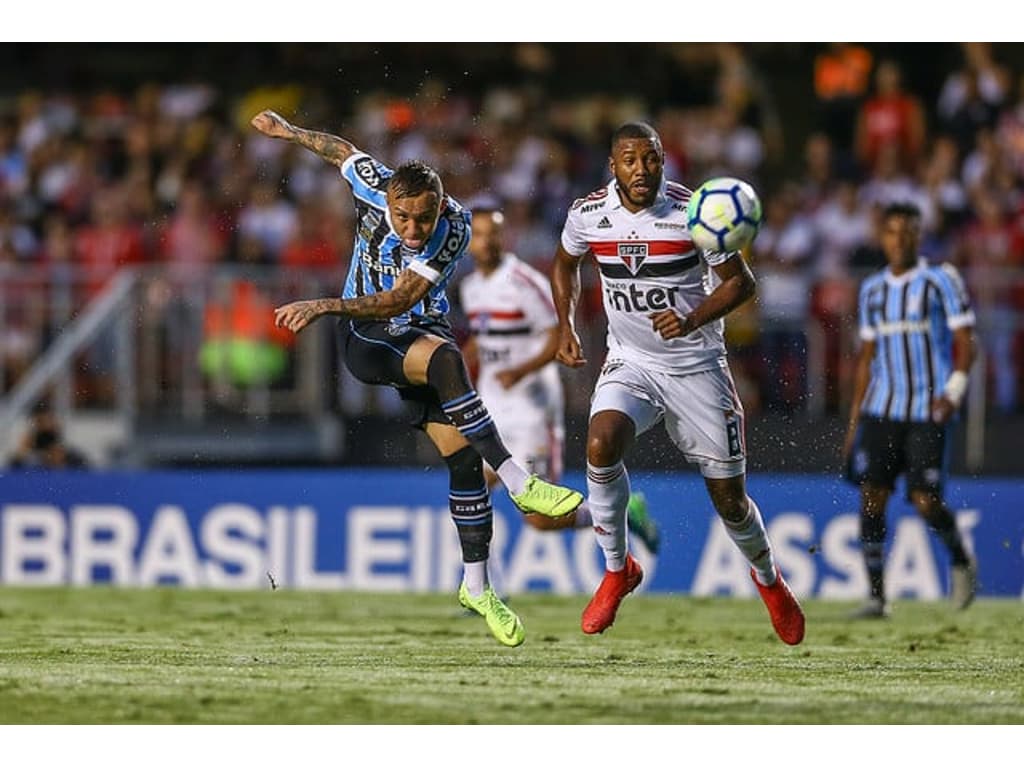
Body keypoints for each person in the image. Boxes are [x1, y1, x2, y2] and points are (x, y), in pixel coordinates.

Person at [250, 109, 583, 648]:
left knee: (462, 460)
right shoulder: (374, 183)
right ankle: (522, 484)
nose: (411, 228)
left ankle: (478, 587)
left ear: (438, 208)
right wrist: (289, 132)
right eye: (402, 217)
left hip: (411, 327)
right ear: (387, 200)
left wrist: (322, 304)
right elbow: (339, 149)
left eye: (421, 219)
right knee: (447, 360)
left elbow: (403, 297)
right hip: (368, 339)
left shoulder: (454, 227)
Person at [550, 121, 805, 644]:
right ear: (613, 165)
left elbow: (741, 283)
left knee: (730, 502)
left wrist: (690, 319)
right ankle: (618, 569)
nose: (641, 170)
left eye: (651, 160)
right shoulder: (588, 214)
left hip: (697, 369)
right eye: (630, 160)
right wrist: (566, 324)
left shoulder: (694, 212)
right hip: (632, 362)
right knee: (599, 445)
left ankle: (769, 580)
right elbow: (564, 263)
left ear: (664, 162)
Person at [460, 205, 660, 555]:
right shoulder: (470, 287)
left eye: (493, 233)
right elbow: (487, 334)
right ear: (467, 242)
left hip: (531, 410)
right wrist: (461, 360)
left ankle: (621, 512)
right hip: (491, 407)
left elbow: (558, 335)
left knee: (538, 518)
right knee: (471, 494)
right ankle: (486, 591)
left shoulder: (524, 283)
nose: (487, 242)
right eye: (478, 234)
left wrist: (520, 371)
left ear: (505, 237)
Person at [842, 201, 979, 619]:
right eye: (892, 231)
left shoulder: (941, 280)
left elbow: (967, 341)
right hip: (882, 409)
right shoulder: (872, 289)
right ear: (882, 237)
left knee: (924, 500)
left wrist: (954, 392)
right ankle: (877, 599)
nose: (899, 239)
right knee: (871, 498)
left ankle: (960, 560)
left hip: (928, 408)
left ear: (919, 237)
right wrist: (854, 422)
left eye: (908, 231)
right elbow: (866, 358)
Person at [9, 403, 89, 469]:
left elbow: (58, 458)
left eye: (47, 420)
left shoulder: (55, 435)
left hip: (55, 469)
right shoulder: (30, 438)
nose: (45, 423)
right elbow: (19, 456)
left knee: (78, 459)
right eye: (40, 421)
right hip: (37, 468)